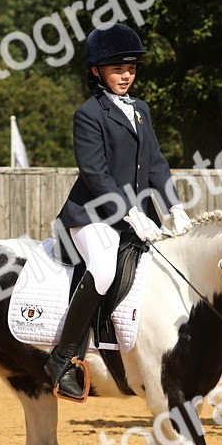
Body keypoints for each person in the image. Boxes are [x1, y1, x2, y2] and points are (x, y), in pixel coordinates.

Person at [45, 23, 192, 402]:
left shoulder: (140, 109)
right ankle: (63, 359)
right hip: (92, 215)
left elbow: (155, 162)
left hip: (140, 217)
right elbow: (96, 174)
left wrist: (172, 204)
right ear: (97, 71)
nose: (126, 75)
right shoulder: (89, 113)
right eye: (117, 69)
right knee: (104, 268)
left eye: (131, 68)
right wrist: (130, 213)